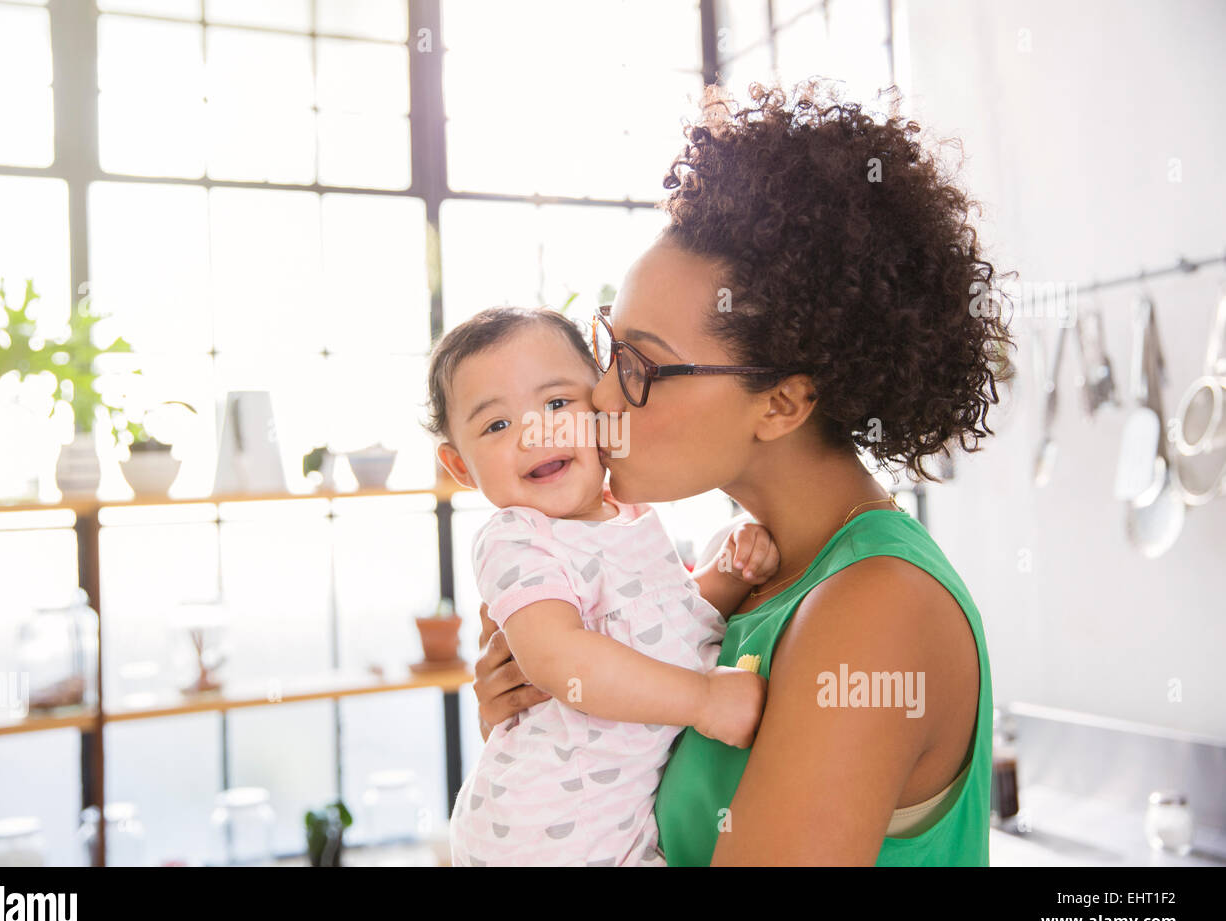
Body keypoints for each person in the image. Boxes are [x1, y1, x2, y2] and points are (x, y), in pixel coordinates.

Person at [471, 81, 1014, 865]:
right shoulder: (739, 576)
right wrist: (543, 743)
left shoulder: (874, 611)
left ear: (783, 403)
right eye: (606, 348)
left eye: (641, 365)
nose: (594, 395)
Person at [424, 305, 781, 865]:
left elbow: (664, 624)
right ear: (461, 467)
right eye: (496, 424)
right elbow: (559, 658)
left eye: (558, 403)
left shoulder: (632, 513)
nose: (535, 432)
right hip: (541, 831)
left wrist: (730, 572)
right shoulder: (517, 538)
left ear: (602, 406)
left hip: (613, 825)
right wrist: (705, 700)